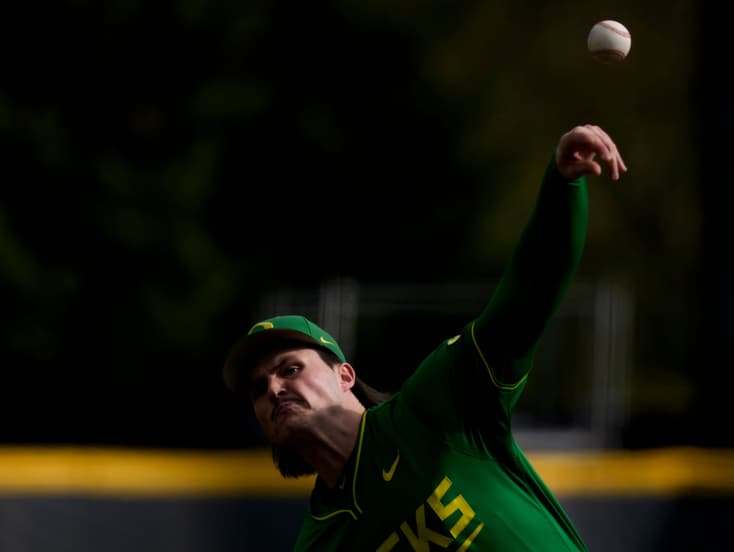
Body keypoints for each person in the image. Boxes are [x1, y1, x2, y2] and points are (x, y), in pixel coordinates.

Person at [222, 123, 627, 551]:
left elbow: (526, 300)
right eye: (258, 388)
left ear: (344, 375)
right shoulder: (322, 543)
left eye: (289, 369)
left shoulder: (434, 410)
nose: (274, 389)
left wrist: (563, 188)